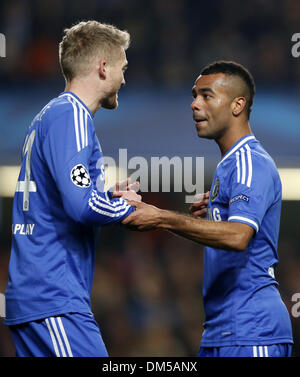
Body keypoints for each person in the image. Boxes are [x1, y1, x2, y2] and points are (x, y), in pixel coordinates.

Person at [122, 61, 294, 357]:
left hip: (252, 331)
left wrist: (161, 217)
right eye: (194, 95)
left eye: (206, 95)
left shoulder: (249, 161)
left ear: (237, 105)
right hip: (222, 331)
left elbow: (238, 236)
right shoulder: (229, 166)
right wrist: (217, 210)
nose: (194, 104)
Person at [4, 20, 141, 357]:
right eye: (122, 68)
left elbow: (67, 198)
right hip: (53, 296)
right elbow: (81, 206)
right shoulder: (72, 116)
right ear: (103, 67)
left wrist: (106, 197)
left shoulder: (51, 115)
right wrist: (128, 209)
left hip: (40, 295)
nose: (124, 78)